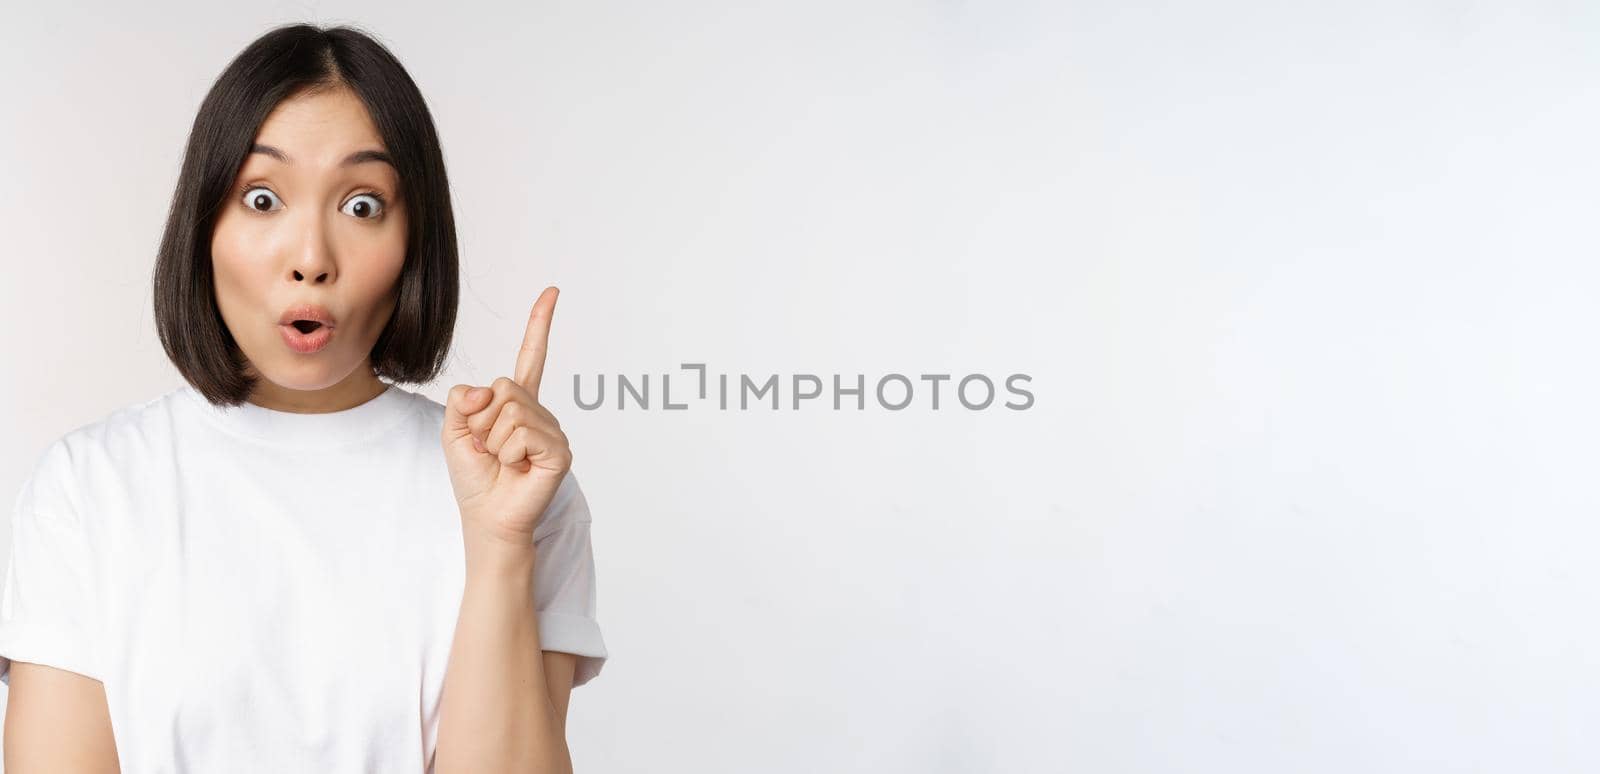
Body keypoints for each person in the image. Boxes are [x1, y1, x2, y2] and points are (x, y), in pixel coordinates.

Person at [0, 23, 607, 773]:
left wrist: (500, 545)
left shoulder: (519, 494)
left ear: (415, 241)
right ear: (203, 226)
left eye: (361, 206)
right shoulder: (90, 490)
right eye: (261, 198)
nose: (311, 259)